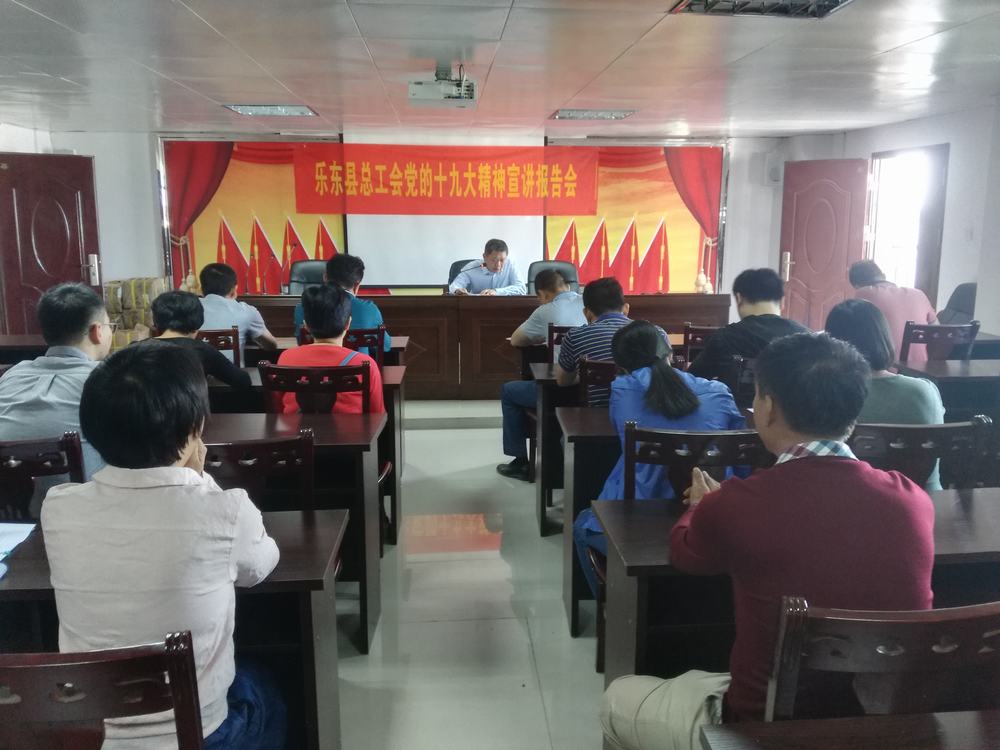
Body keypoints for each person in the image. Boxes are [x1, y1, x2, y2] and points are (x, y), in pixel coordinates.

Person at [601, 333, 935, 750]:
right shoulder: (911, 500)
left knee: (617, 698)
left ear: (769, 406)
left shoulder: (737, 503)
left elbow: (685, 554)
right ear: (853, 413)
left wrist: (700, 506)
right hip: (885, 728)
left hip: (762, 729)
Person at [41, 342, 284, 750]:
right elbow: (261, 566)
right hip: (203, 733)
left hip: (96, 733)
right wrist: (201, 479)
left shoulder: (59, 507)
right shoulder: (225, 510)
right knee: (269, 687)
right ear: (194, 428)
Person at [573, 321, 744, 596]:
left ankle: (612, 605)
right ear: (670, 354)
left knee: (583, 525)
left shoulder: (622, 390)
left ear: (621, 367)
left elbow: (621, 436)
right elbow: (740, 454)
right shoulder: (718, 392)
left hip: (640, 514)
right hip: (711, 511)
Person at [0, 283, 113, 501]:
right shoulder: (109, 379)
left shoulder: (11, 375)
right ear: (97, 331)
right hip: (81, 510)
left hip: (9, 514)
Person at [825, 298, 945, 489]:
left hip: (851, 498)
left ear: (832, 343)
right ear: (884, 337)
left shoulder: (826, 395)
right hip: (925, 498)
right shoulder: (925, 391)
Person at [496, 269, 588, 480]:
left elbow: (517, 340)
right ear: (567, 285)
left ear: (544, 294)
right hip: (593, 391)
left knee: (509, 391)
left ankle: (520, 462)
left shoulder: (545, 311)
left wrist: (541, 337)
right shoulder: (589, 304)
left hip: (559, 391)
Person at [687, 268, 808, 385]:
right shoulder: (807, 338)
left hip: (735, 400)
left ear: (739, 298)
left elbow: (692, 381)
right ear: (782, 301)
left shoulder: (724, 338)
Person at [277, 284, 384, 415]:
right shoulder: (365, 363)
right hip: (350, 429)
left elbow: (278, 410)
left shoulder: (286, 358)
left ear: (306, 326)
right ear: (348, 324)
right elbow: (377, 415)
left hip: (296, 428)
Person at [556, 277, 652, 405]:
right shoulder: (656, 333)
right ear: (626, 309)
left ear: (586, 313)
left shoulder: (575, 336)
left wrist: (587, 375)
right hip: (647, 412)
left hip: (596, 414)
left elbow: (563, 381)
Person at [149, 290, 251, 391]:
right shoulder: (202, 350)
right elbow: (243, 380)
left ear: (156, 320)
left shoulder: (139, 348)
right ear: (197, 321)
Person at [292, 253, 392, 354]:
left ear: (325, 277)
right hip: (358, 364)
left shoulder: (303, 307)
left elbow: (301, 343)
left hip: (313, 364)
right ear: (357, 285)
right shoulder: (369, 309)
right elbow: (385, 346)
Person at [850, 259, 937, 364]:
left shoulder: (863, 293)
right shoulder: (919, 294)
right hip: (922, 368)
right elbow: (938, 329)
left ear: (857, 285)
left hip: (885, 367)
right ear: (883, 276)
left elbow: (851, 332)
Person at [199, 263, 278, 360]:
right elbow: (271, 345)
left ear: (201, 289)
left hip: (194, 369)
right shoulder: (246, 311)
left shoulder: (190, 308)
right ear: (234, 289)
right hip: (231, 370)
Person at [448, 239, 527, 296]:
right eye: (494, 260)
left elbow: (521, 289)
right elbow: (455, 286)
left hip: (505, 308)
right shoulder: (472, 267)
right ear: (484, 257)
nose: (498, 264)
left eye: (502, 260)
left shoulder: (510, 265)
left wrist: (496, 292)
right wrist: (457, 290)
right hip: (477, 308)